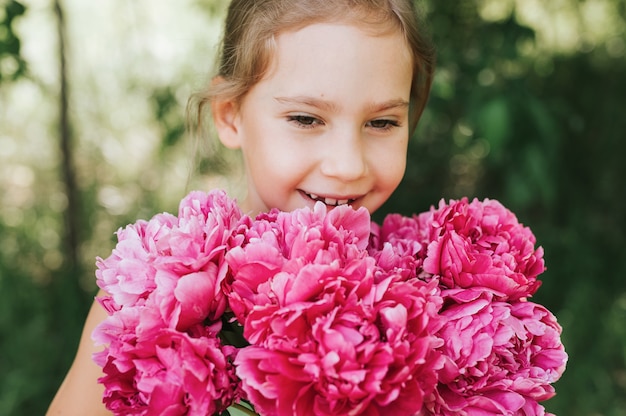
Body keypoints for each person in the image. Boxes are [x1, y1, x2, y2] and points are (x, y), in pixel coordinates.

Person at [46, 0, 434, 414]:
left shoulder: (435, 300)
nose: (348, 165)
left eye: (382, 123)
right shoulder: (147, 300)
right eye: (305, 119)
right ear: (231, 116)